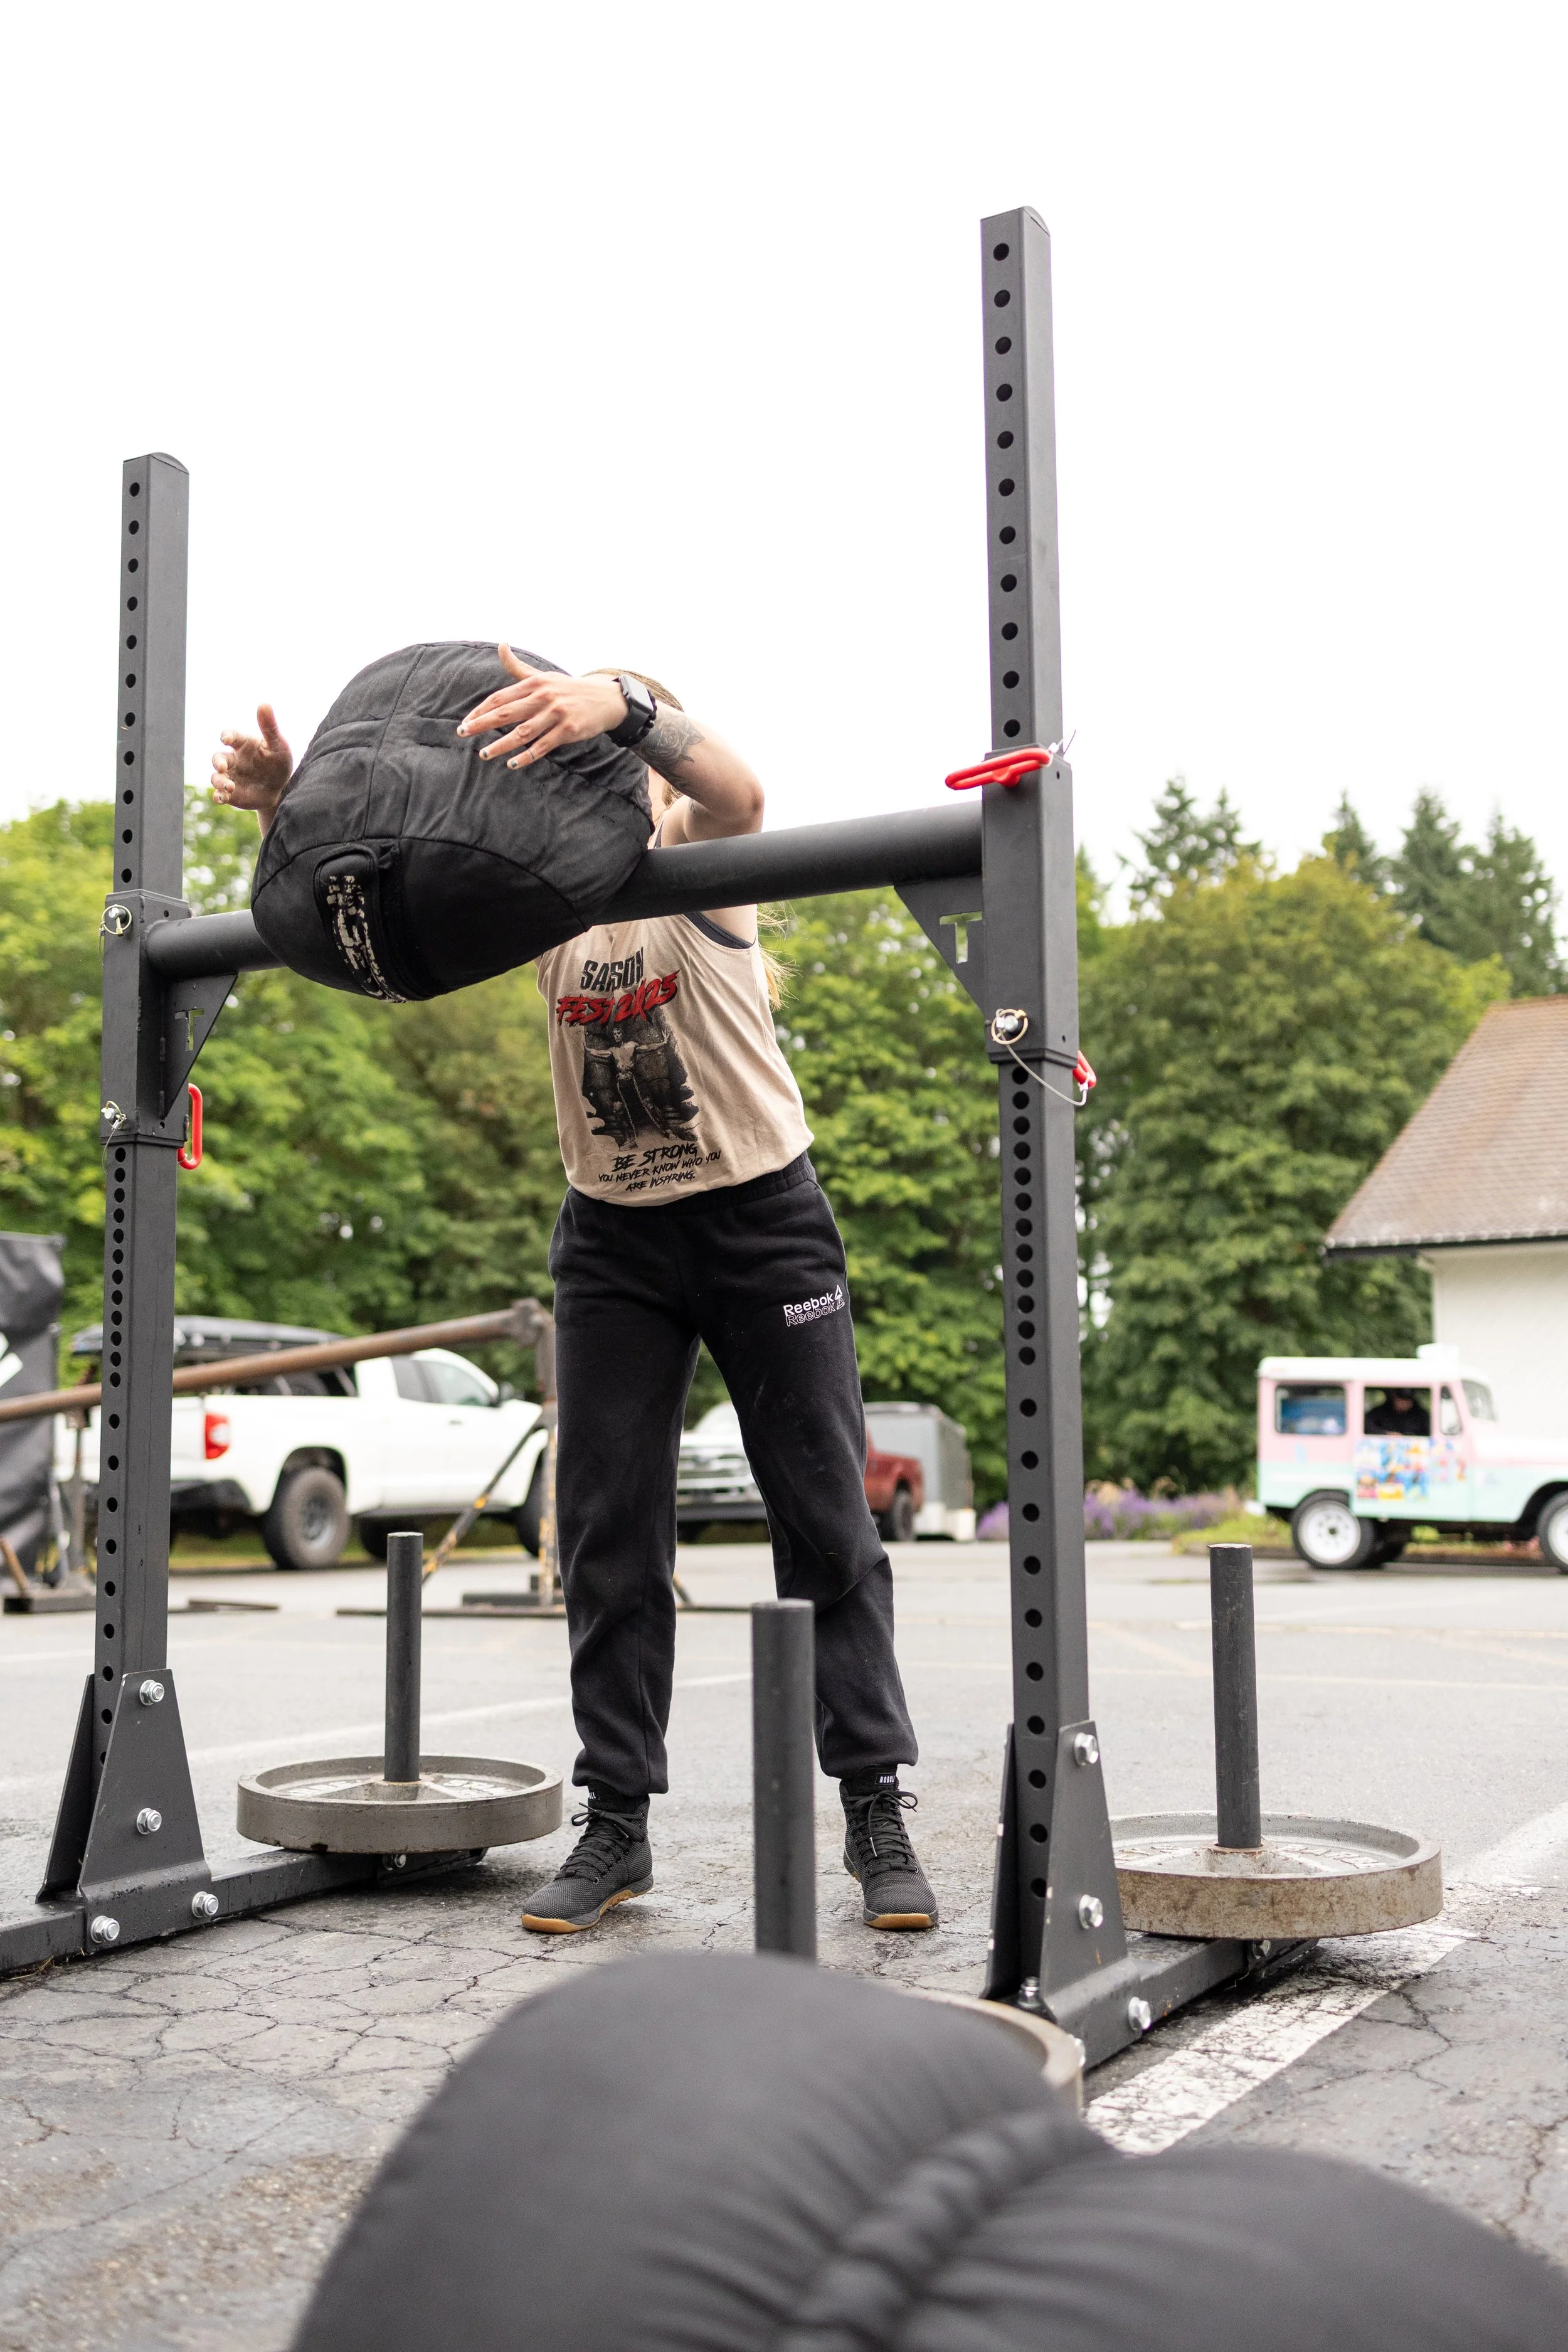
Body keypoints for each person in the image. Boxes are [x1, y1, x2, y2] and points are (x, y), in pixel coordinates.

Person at [211, 650, 937, 1936]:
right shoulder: (538, 895)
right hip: (610, 1236)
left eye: (597, 756)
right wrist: (283, 814)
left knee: (825, 1520)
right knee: (607, 1535)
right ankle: (618, 1821)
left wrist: (628, 706)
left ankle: (874, 1804)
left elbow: (740, 789)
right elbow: (380, 927)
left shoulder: (701, 864)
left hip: (759, 1218)